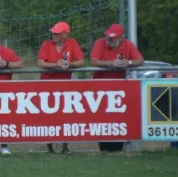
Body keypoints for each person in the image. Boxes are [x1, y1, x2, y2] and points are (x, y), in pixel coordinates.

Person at [90, 23, 144, 152]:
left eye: (113, 37)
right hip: (101, 88)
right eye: (108, 37)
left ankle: (118, 148)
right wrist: (109, 63)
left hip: (119, 90)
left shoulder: (128, 45)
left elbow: (140, 61)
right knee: (102, 119)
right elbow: (93, 61)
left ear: (121, 37)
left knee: (118, 118)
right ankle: (104, 148)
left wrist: (128, 62)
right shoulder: (100, 43)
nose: (109, 39)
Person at [37, 22, 84, 154]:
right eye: (53, 32)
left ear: (65, 35)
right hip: (47, 85)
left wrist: (70, 64)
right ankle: (49, 145)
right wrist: (55, 65)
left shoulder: (72, 43)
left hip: (65, 85)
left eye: (57, 33)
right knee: (48, 115)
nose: (54, 35)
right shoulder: (46, 44)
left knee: (65, 114)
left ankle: (65, 146)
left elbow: (81, 61)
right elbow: (40, 63)